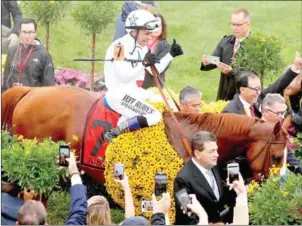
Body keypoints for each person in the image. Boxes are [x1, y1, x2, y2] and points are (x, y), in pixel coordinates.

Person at [103, 9, 183, 142]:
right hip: (118, 94)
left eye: (151, 34)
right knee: (154, 116)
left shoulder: (142, 47)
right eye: (146, 34)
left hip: (133, 91)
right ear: (134, 31)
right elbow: (124, 76)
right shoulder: (118, 46)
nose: (150, 38)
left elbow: (154, 71)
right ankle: (114, 133)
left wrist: (170, 55)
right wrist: (143, 63)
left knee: (169, 103)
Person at [174, 131, 231, 224]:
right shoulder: (182, 180)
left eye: (216, 150)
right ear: (197, 154)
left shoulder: (214, 165)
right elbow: (187, 215)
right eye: (211, 151)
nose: (217, 154)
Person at [222, 52, 302, 116]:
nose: (259, 92)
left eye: (259, 88)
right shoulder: (230, 111)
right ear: (242, 89)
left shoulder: (259, 97)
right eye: (255, 89)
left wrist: (295, 67)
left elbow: (278, 85)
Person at [200, 8, 251, 101]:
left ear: (248, 25)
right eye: (233, 24)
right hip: (224, 94)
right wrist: (207, 61)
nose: (235, 28)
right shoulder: (226, 42)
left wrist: (231, 72)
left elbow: (252, 75)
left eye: (238, 25)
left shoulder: (255, 47)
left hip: (244, 96)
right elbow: (216, 60)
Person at [2, 18, 55, 93]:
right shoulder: (12, 50)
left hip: (31, 101)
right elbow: (6, 80)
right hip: (13, 98)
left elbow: (49, 86)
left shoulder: (44, 55)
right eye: (24, 32)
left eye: (30, 32)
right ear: (20, 32)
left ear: (35, 33)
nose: (27, 36)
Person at [261, 94, 302, 174]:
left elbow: (290, 158)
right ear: (266, 112)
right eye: (278, 113)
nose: (282, 117)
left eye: (283, 113)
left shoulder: (279, 130)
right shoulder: (254, 132)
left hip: (281, 180)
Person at [142, 13, 171, 89]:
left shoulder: (165, 46)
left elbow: (157, 69)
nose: (157, 28)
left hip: (152, 87)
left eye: (159, 25)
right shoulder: (139, 41)